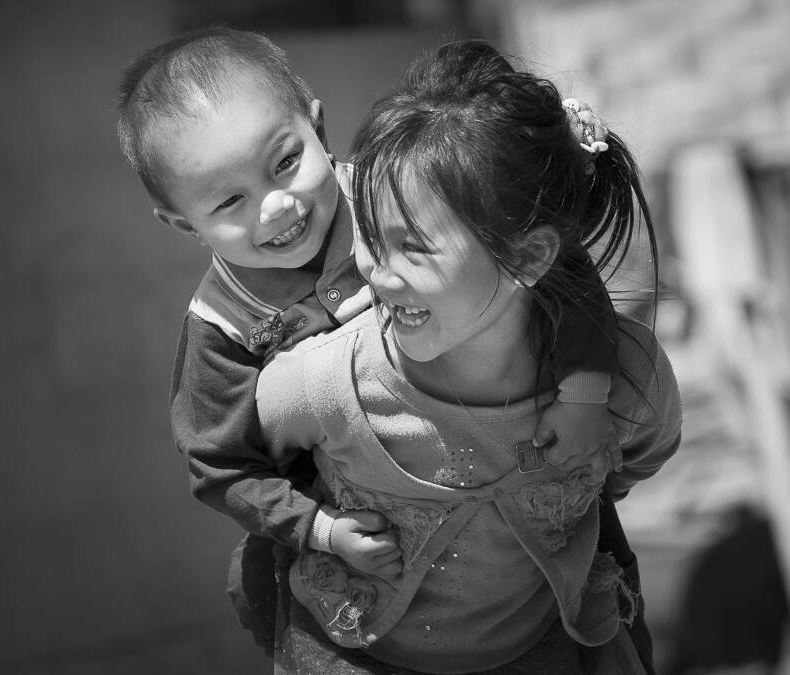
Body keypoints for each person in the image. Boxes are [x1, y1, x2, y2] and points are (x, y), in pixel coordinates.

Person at [115, 27, 634, 659]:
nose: (276, 206)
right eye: (229, 201)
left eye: (285, 162)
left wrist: (583, 391)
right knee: (286, 602)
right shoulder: (221, 325)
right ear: (181, 224)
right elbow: (220, 465)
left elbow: (555, 268)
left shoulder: (398, 193)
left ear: (318, 127)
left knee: (604, 592)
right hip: (368, 546)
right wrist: (321, 530)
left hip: (518, 464)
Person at [255, 40, 682, 674]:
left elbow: (635, 457)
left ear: (529, 257)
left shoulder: (627, 378)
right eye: (369, 237)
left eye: (413, 246)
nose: (377, 273)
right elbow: (247, 456)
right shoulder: (321, 383)